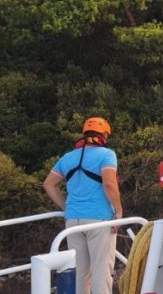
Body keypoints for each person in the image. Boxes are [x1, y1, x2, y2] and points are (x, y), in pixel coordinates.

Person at [43, 117, 122, 294]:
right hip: (99, 220)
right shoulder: (107, 155)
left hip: (73, 221)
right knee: (101, 271)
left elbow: (48, 184)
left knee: (80, 272)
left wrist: (66, 208)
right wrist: (118, 211)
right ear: (104, 135)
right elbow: (109, 184)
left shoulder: (68, 157)